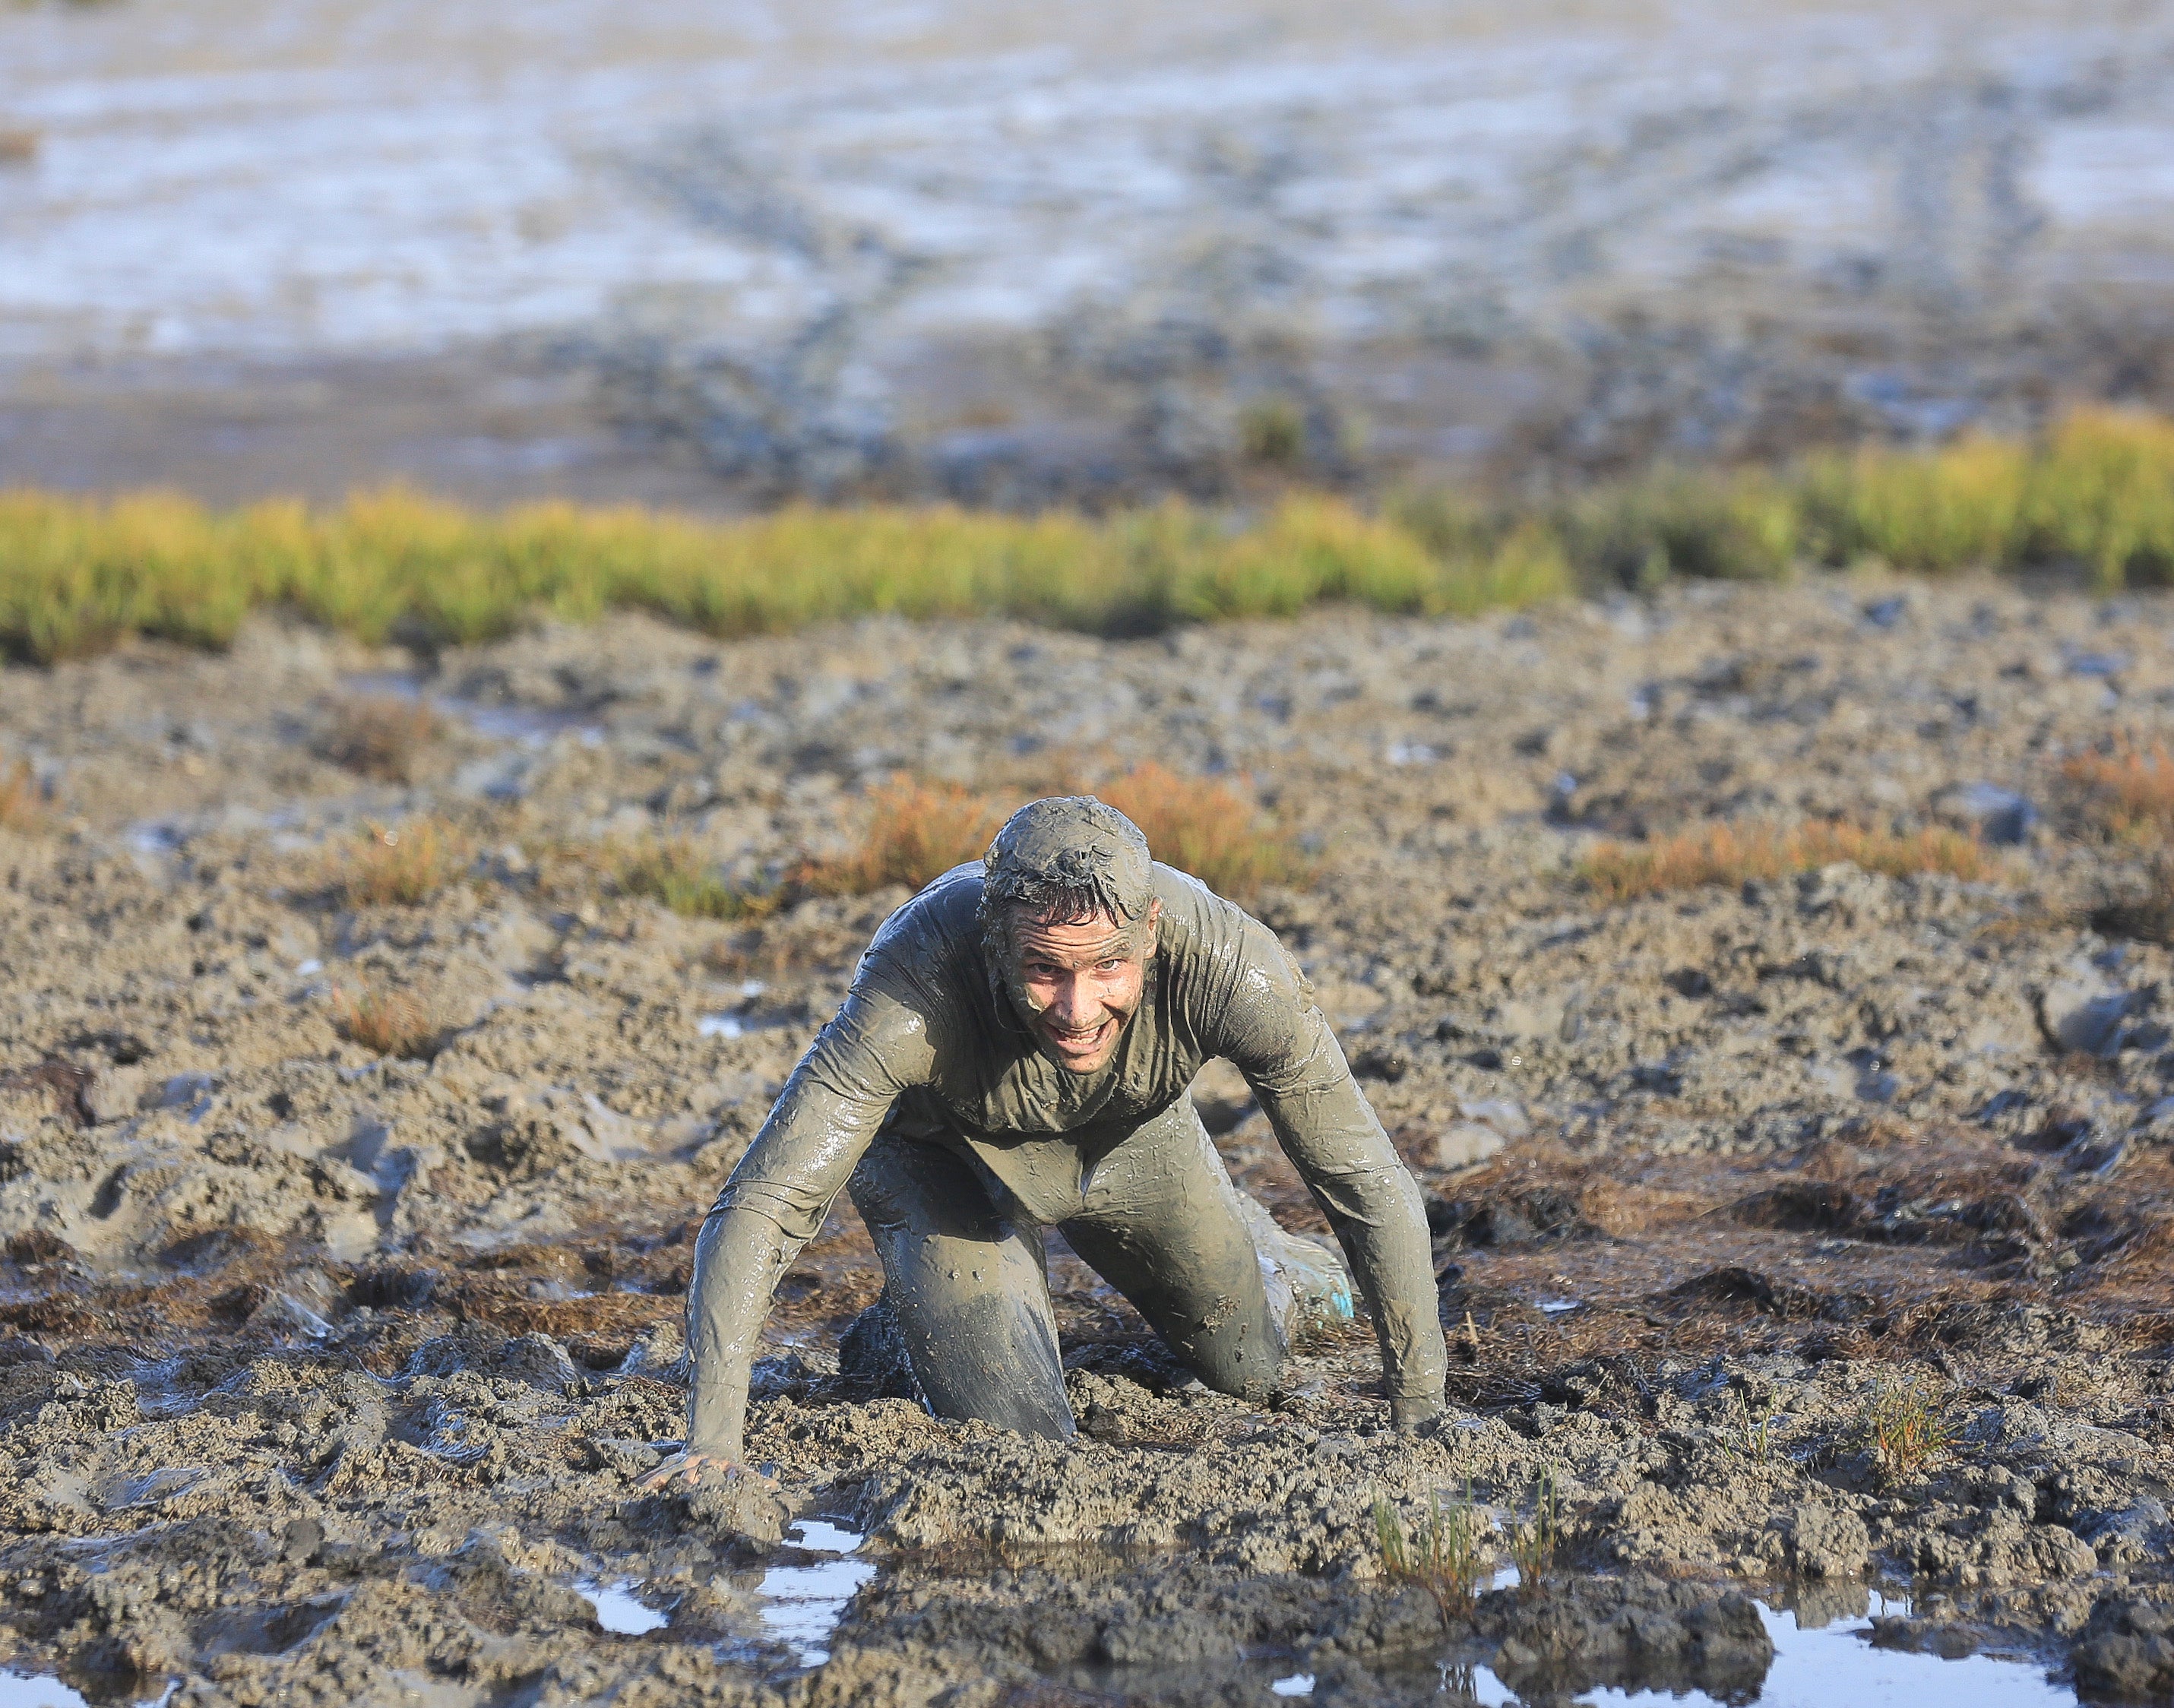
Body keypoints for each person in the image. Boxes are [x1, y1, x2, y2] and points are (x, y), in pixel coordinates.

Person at [648, 795, 1447, 1491]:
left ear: (1151, 931)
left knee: (1250, 1369)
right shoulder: (910, 984)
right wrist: (711, 1442)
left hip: (1130, 1136)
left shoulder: (1233, 967)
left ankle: (1280, 1264)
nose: (1076, 1008)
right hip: (945, 1162)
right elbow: (765, 1200)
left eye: (1107, 967)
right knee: (1020, 1442)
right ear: (992, 942)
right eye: (1042, 968)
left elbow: (1365, 1180)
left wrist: (1421, 1419)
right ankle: (910, 1317)